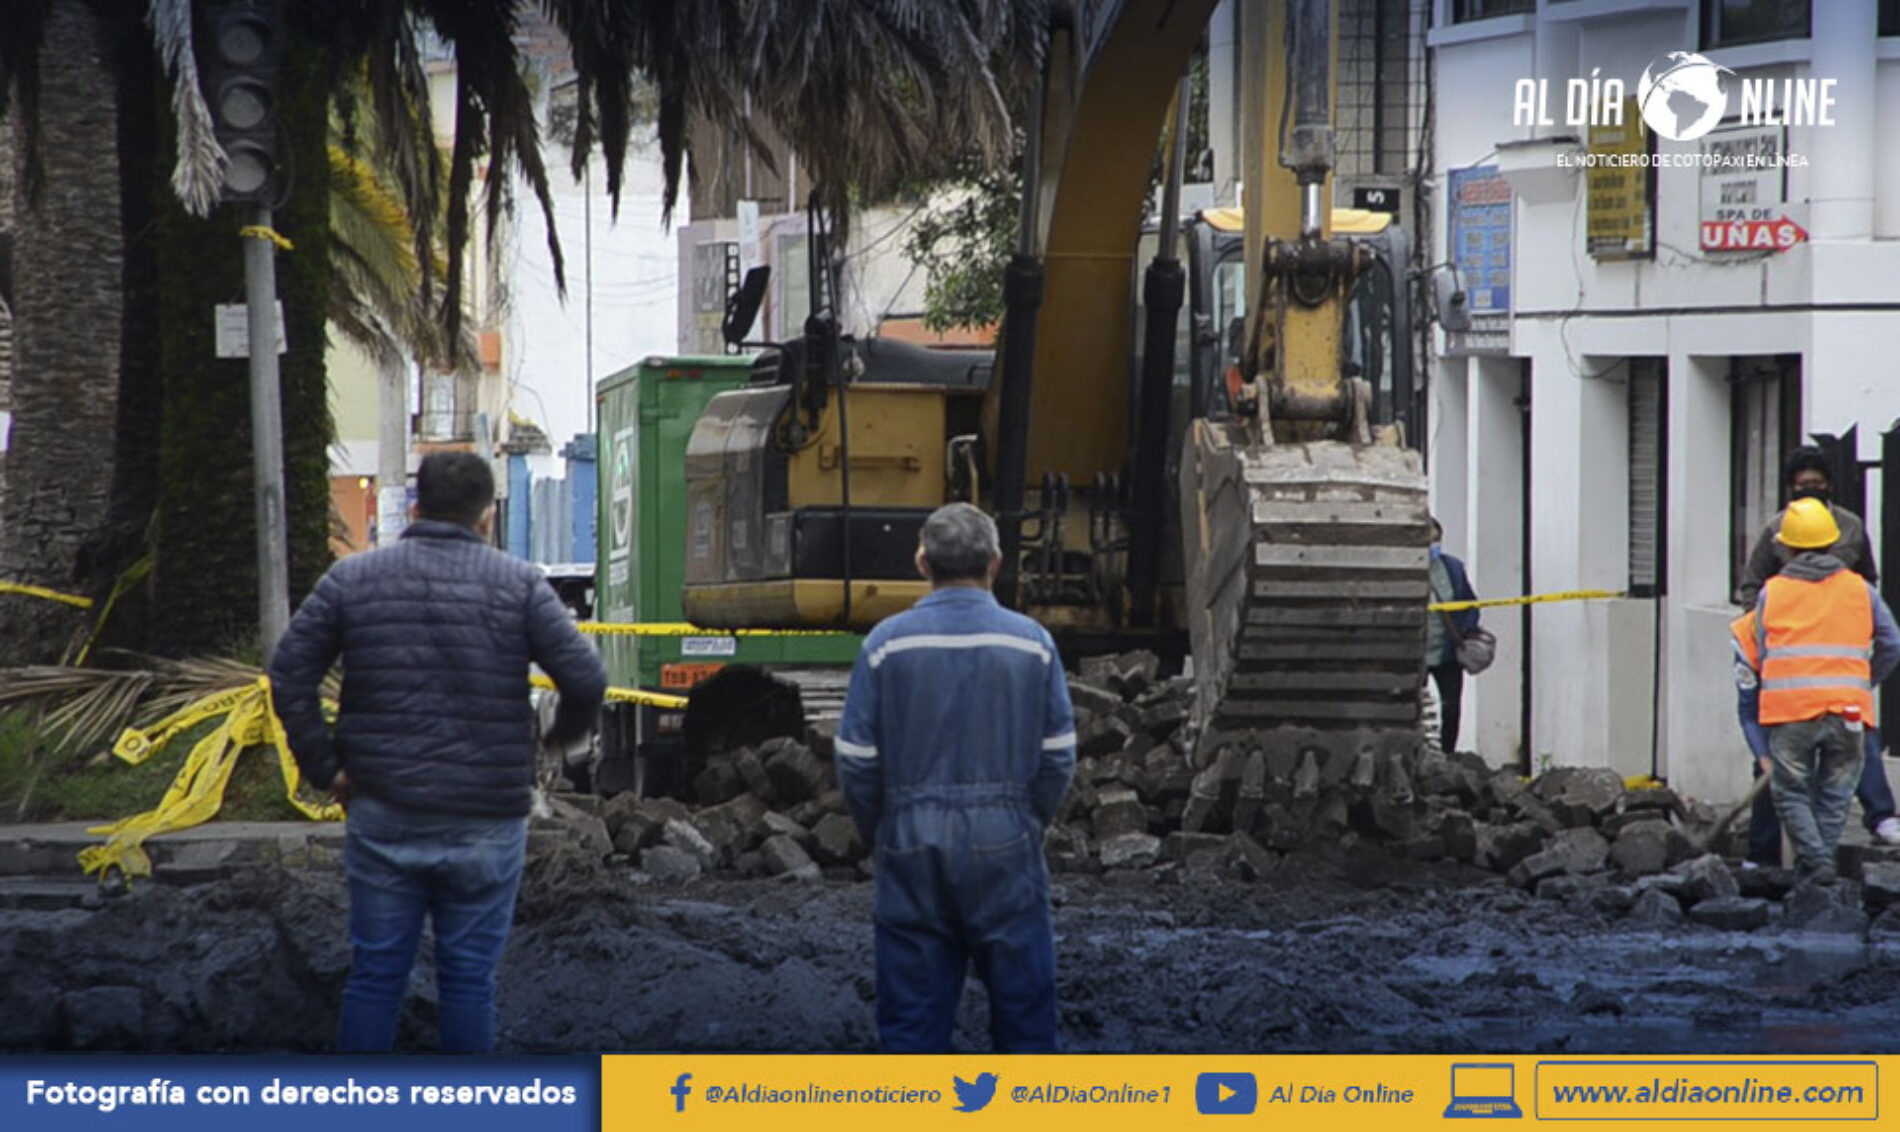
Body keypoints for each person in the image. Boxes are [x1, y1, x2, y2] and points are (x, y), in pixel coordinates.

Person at [269, 451, 607, 1051]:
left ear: (416, 509)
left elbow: (290, 672)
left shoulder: (353, 580)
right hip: (487, 816)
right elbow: (585, 679)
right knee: (470, 983)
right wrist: (553, 747)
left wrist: (326, 768)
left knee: (375, 978)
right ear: (486, 518)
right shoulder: (519, 585)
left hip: (383, 809)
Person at [834, 503, 1076, 1052]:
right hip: (1007, 839)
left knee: (912, 1027)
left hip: (910, 839)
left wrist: (884, 828)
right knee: (1025, 1020)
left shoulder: (886, 644)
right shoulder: (1031, 643)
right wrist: (1026, 820)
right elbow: (1059, 754)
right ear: (996, 563)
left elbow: (855, 756)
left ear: (922, 563)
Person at [1738, 446, 1900, 851]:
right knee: (1799, 780)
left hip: (1835, 665)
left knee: (1832, 771)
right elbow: (1751, 588)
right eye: (1801, 484)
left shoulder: (1851, 533)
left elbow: (1871, 591)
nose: (1808, 488)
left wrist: (1859, 668)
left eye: (1815, 482)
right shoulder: (1775, 547)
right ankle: (1770, 853)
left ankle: (1870, 825)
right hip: (1793, 673)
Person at [1425, 517, 1481, 753]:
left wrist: (1466, 628)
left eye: (1436, 540)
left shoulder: (1453, 568)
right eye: (1428, 541)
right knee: (1412, 707)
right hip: (1417, 652)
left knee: (1451, 707)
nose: (1433, 546)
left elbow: (1470, 603)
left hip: (1447, 650)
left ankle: (1447, 755)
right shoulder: (1404, 571)